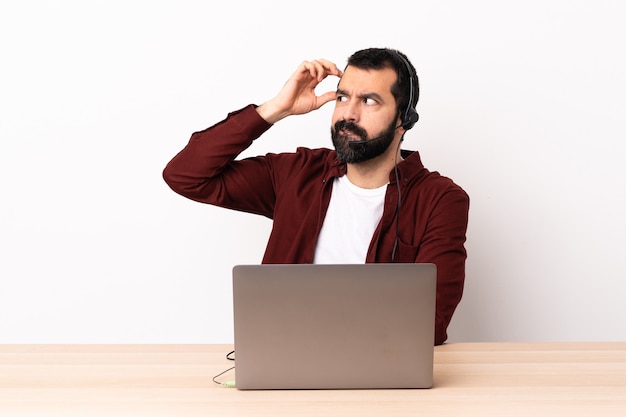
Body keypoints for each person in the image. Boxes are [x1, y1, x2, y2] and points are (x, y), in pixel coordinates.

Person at [163, 47, 469, 345]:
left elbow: (432, 323)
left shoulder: (440, 200)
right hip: (282, 358)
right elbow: (186, 176)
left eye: (369, 101)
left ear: (404, 119)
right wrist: (273, 110)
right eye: (342, 97)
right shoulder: (296, 173)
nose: (348, 114)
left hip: (379, 370)